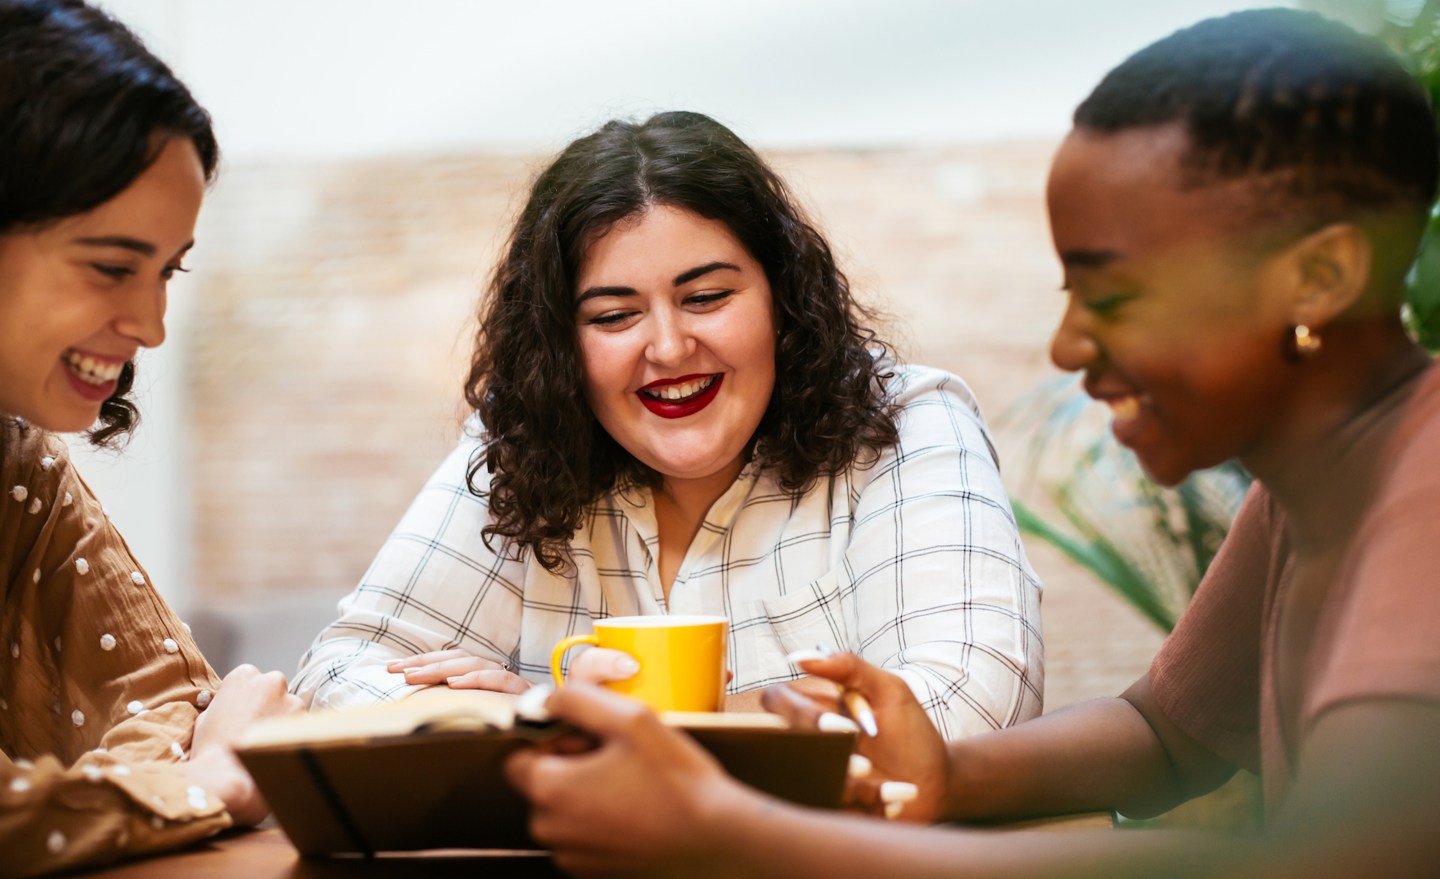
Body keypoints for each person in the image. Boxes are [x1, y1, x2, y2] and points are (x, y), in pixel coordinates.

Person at [502, 8, 1440, 877]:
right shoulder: (1308, 488)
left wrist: (739, 831)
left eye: (1112, 296)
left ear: (1319, 278)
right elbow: (1165, 736)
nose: (1069, 344)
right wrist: (945, 773)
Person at [292, 111, 1043, 738]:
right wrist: (542, 709)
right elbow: (335, 676)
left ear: (782, 297)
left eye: (707, 296)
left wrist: (611, 725)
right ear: (562, 344)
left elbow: (971, 702)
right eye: (615, 315)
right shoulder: (524, 443)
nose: (670, 347)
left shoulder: (904, 426)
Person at [0, 0, 301, 876]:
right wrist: (204, 786)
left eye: (167, 270)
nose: (152, 326)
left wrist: (188, 772)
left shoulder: (16, 462)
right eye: (110, 267)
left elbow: (174, 697)